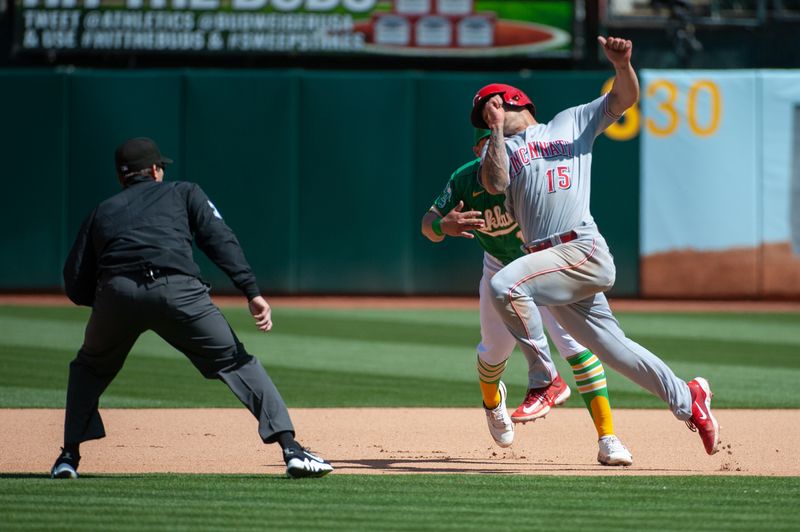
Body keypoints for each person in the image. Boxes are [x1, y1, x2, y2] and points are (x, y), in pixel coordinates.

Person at [473, 36, 720, 455]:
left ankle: (544, 379)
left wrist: (622, 65)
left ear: (512, 100)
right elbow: (494, 183)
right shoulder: (503, 150)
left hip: (580, 247)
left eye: (489, 108)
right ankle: (688, 397)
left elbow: (624, 99)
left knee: (505, 286)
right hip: (549, 263)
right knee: (615, 350)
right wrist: (495, 130)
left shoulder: (570, 121)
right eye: (482, 116)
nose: (485, 118)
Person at [52, 137, 333, 479]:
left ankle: (68, 458)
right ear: (156, 170)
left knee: (89, 368)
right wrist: (250, 290)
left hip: (117, 292)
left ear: (121, 177)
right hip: (178, 290)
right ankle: (292, 450)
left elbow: (75, 281)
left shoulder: (103, 210)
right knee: (235, 362)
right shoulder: (183, 192)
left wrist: (114, 303)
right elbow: (220, 239)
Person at [421, 129, 633, 466]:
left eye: (502, 143)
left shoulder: (528, 171)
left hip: (543, 263)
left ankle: (609, 438)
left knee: (576, 346)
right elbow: (427, 223)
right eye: (488, 144)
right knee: (493, 352)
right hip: (499, 271)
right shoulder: (463, 180)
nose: (497, 150)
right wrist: (440, 227)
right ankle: (493, 403)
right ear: (477, 149)